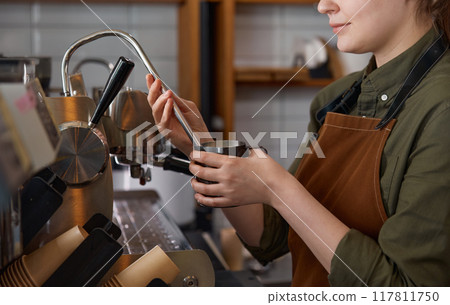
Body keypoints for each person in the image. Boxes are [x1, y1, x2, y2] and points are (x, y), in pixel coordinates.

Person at [146, 0, 450, 286]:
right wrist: (199, 143)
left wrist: (278, 188)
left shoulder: (441, 107)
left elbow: (407, 293)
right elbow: (273, 237)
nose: (323, 5)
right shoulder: (337, 99)